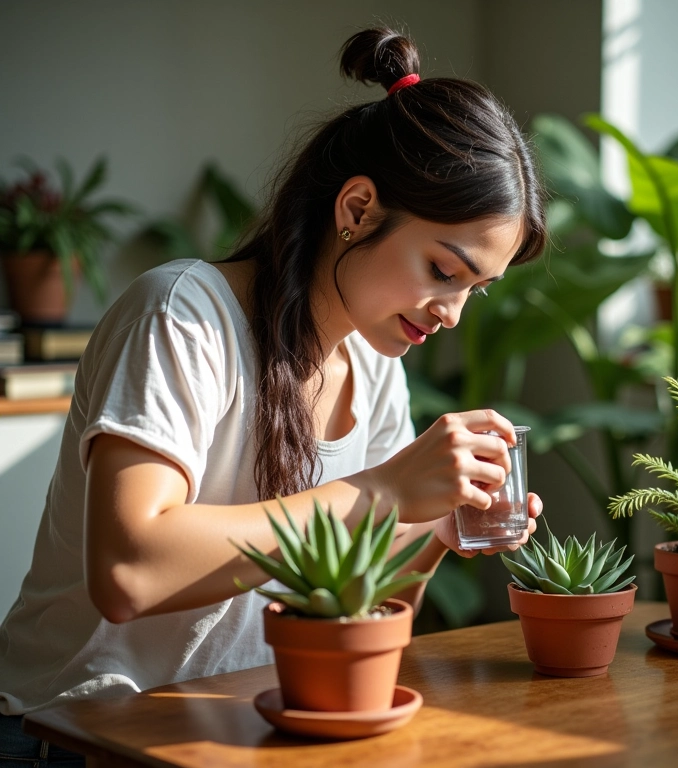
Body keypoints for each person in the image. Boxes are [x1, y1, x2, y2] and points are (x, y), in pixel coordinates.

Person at [0, 26, 546, 766]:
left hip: (238, 735)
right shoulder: (182, 315)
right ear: (357, 209)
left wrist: (437, 528)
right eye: (444, 270)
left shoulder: (375, 362)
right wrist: (385, 488)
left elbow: (362, 611)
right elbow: (129, 572)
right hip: (69, 733)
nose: (452, 312)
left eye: (474, 290)